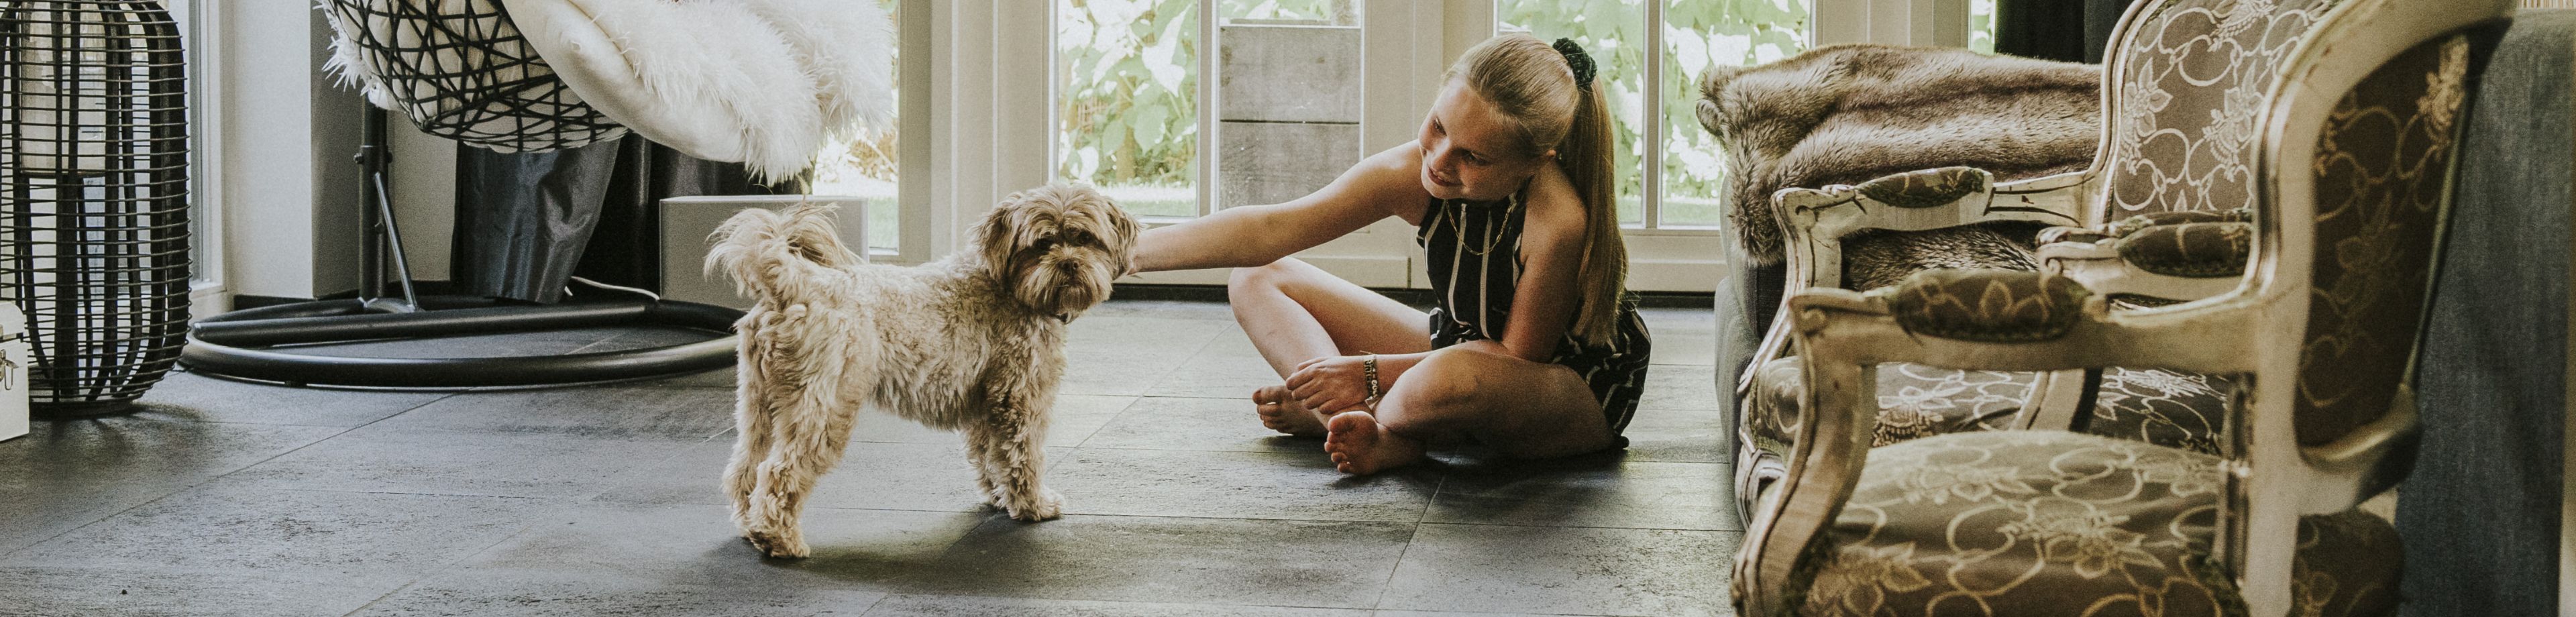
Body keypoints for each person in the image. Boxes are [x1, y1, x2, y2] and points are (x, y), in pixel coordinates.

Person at [1128, 34, 1650, 475]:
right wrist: (1121, 253)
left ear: (1533, 163)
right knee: (1257, 276)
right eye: (1439, 127)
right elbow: (1271, 229)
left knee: (1440, 382)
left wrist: (1368, 371)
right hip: (1463, 348)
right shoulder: (1414, 172)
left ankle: (1368, 414)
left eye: (1474, 156)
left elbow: (1513, 362)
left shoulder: (1558, 220)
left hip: (1562, 384)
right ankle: (1360, 423)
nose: (1440, 161)